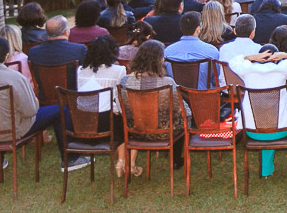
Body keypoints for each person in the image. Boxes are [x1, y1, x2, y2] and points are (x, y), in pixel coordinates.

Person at [0, 37, 90, 176]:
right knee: (61, 110)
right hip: (11, 132)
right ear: (6, 56)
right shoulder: (14, 78)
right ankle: (71, 159)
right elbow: (31, 110)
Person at [230, 43, 287, 178]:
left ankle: (266, 169)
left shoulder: (246, 69)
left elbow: (233, 62)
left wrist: (250, 57)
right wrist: (286, 56)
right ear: (277, 58)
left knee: (265, 120)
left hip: (252, 132)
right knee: (280, 121)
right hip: (282, 131)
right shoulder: (283, 68)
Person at [119, 40, 189, 172]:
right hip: (164, 133)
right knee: (183, 119)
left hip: (135, 131)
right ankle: (175, 160)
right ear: (159, 59)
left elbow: (121, 108)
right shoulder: (167, 82)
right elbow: (182, 109)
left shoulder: (125, 81)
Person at [76, 35, 129, 175]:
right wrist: (116, 109)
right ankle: (121, 161)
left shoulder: (80, 70)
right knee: (121, 117)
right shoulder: (119, 70)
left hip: (82, 124)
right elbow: (120, 98)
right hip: (107, 125)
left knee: (114, 112)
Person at [27, 16, 88, 95]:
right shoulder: (80, 50)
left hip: (45, 100)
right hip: (72, 99)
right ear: (66, 32)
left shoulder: (33, 52)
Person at [164, 11, 219, 89]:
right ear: (198, 29)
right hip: (205, 97)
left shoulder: (167, 52)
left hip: (176, 97)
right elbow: (216, 79)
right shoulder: (212, 51)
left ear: (181, 28)